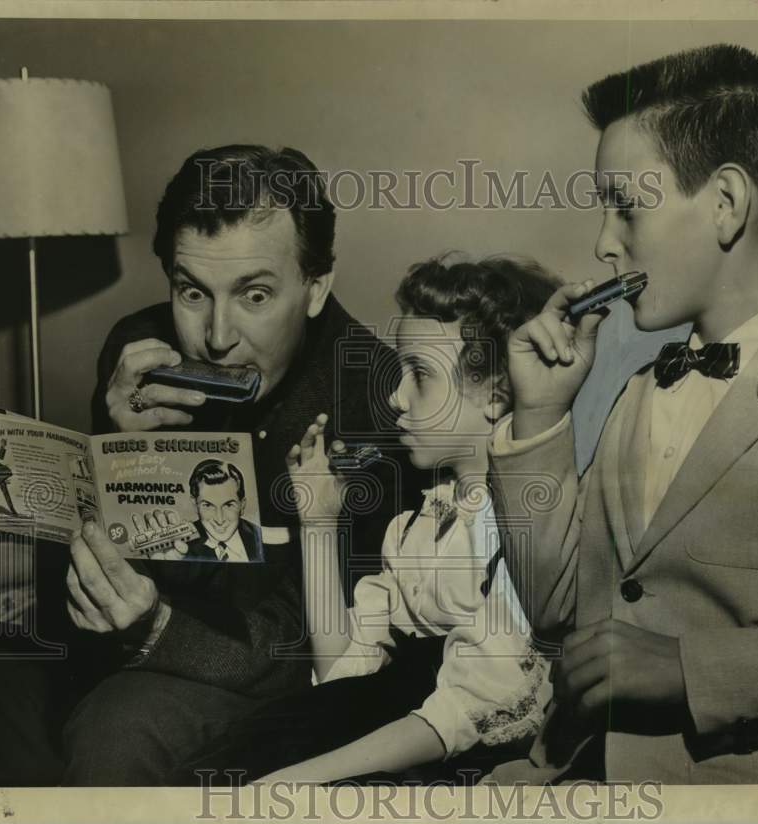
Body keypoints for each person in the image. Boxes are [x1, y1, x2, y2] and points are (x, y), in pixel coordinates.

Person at [487, 44, 758, 785]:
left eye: (626, 209)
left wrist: (691, 669)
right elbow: (554, 613)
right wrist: (540, 416)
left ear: (727, 205)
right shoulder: (638, 388)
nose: (605, 243)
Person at [57, 144, 420, 785]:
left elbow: (314, 644)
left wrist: (156, 628)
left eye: (254, 294)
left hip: (298, 677)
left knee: (116, 729)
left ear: (316, 288)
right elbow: (108, 553)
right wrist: (114, 448)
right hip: (131, 640)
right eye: (192, 291)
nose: (217, 337)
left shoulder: (375, 395)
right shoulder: (137, 355)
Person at [175, 255, 559, 785]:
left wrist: (297, 779)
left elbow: (465, 715)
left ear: (495, 395)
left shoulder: (513, 536)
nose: (395, 396)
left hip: (462, 772)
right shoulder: (420, 526)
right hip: (394, 746)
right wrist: (318, 521)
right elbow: (342, 677)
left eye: (419, 374)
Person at [183, 459, 264, 563]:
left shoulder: (261, 538)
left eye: (229, 505)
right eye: (207, 505)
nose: (219, 519)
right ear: (195, 505)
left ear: (242, 505)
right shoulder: (180, 546)